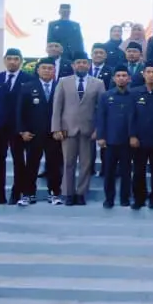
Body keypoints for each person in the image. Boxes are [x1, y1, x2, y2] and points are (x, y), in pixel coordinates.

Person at [50, 54, 105, 206]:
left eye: (84, 62)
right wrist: (56, 128)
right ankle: (68, 193)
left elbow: (101, 109)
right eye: (78, 62)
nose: (81, 65)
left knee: (86, 164)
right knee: (68, 162)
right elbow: (57, 106)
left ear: (89, 65)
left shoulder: (98, 83)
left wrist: (99, 129)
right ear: (73, 65)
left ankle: (81, 193)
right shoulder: (63, 82)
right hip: (67, 129)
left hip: (88, 130)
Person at [0, 48, 33, 206]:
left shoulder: (29, 79)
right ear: (4, 60)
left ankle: (16, 193)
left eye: (16, 59)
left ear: (21, 61)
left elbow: (30, 107)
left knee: (19, 160)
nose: (12, 62)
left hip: (18, 127)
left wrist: (26, 128)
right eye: (9, 58)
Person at [15, 58, 62, 205]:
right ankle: (28, 194)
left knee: (54, 165)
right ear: (38, 70)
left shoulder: (60, 87)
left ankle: (54, 193)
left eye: (50, 68)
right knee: (31, 164)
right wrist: (23, 131)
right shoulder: (27, 87)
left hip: (53, 134)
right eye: (44, 68)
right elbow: (20, 111)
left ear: (54, 71)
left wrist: (61, 129)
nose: (47, 71)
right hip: (33, 134)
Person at [94, 68, 135, 209]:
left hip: (127, 141)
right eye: (118, 76)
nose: (121, 78)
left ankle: (125, 198)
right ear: (113, 78)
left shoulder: (133, 96)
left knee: (126, 172)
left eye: (124, 75)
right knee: (109, 171)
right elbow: (101, 117)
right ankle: (109, 198)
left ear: (129, 78)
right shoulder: (106, 96)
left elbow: (135, 118)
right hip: (109, 141)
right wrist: (100, 136)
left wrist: (133, 135)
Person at [127, 64, 153, 210]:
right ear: (143, 74)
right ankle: (139, 198)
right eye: (148, 72)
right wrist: (132, 135)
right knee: (138, 171)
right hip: (139, 139)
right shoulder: (134, 93)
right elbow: (131, 116)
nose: (151, 75)